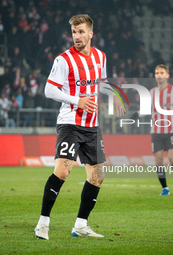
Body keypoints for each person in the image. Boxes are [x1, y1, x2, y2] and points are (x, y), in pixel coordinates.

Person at [34, 14, 123, 240]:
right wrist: (78, 100)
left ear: (91, 33)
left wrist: (114, 95)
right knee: (63, 170)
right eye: (74, 32)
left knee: (97, 176)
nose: (77, 36)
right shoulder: (64, 60)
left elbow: (101, 83)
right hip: (70, 122)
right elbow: (49, 90)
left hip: (92, 126)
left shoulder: (100, 57)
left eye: (81, 31)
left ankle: (81, 225)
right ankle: (43, 223)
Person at [133, 65, 173, 196]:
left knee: (172, 159)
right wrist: (137, 114)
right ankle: (165, 188)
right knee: (158, 161)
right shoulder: (151, 92)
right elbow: (146, 109)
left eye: (162, 73)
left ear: (167, 75)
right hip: (156, 132)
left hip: (172, 131)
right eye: (157, 73)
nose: (159, 75)